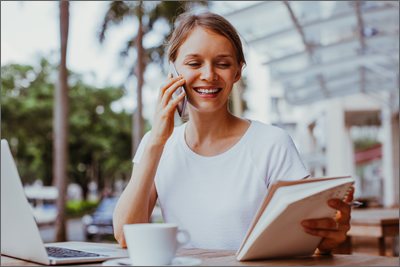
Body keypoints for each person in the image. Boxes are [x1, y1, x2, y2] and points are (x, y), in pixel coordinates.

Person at [113, 11, 353, 255]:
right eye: (194, 63)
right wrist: (155, 143)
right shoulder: (156, 145)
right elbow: (125, 236)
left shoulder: (271, 144)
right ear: (173, 70)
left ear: (238, 72)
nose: (208, 75)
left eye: (223, 63)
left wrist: (326, 239)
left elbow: (308, 233)